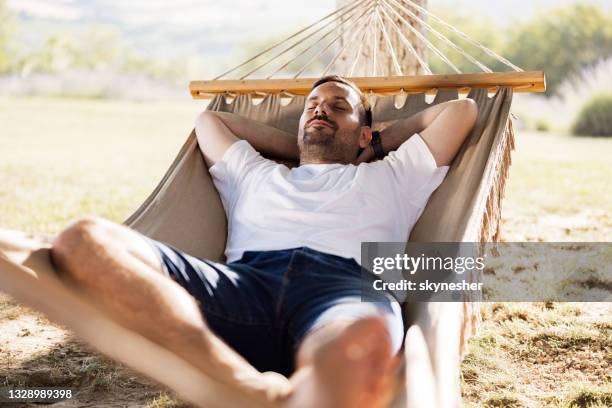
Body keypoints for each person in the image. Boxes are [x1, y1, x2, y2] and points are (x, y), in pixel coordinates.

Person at [50, 75, 478, 408]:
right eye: (312, 106)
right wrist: (300, 143)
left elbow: (461, 111)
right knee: (84, 240)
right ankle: (244, 382)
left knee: (357, 343)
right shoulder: (252, 172)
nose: (319, 111)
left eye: (338, 107)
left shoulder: (392, 174)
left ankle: (296, 382)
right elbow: (209, 121)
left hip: (346, 290)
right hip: (242, 285)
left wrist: (379, 142)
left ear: (364, 133)